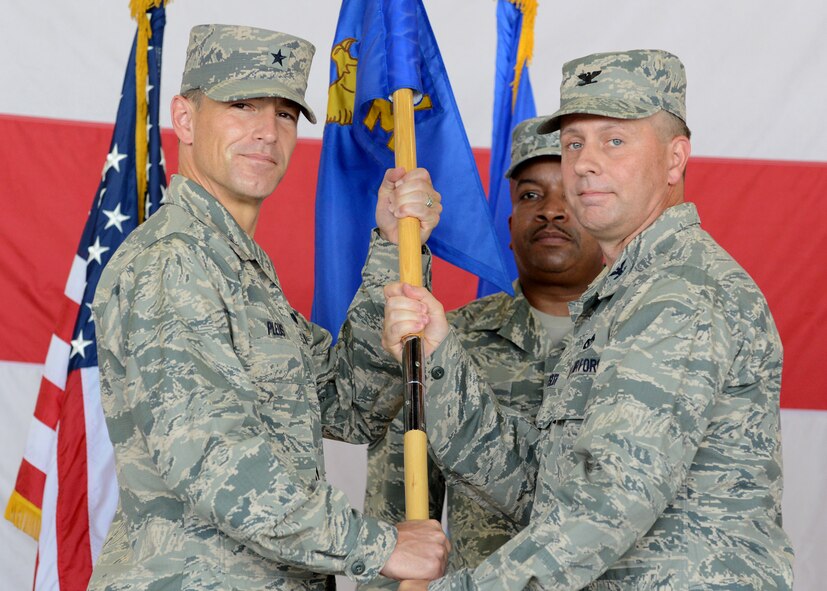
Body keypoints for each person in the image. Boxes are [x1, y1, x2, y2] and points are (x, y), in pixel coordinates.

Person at [383, 49, 794, 589]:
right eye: (574, 142)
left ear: (675, 160)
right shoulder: (623, 292)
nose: (584, 163)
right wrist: (440, 361)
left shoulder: (680, 291)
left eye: (614, 140)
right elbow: (547, 488)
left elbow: (609, 503)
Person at [88, 24, 450, 591]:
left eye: (284, 114)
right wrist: (380, 546)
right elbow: (214, 462)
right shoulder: (174, 262)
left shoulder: (239, 268)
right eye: (242, 105)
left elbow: (347, 407)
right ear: (185, 118)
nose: (266, 133)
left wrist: (390, 248)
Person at [359, 118, 604, 590]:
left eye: (571, 193)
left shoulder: (641, 336)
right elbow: (396, 520)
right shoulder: (443, 338)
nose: (551, 211)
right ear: (509, 226)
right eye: (531, 195)